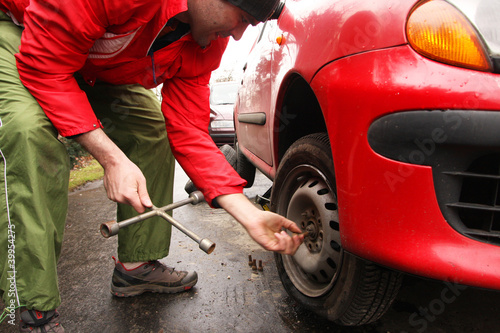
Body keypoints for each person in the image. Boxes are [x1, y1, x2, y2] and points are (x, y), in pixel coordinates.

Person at [0, 0, 304, 331]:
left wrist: (250, 215)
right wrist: (111, 158)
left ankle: (136, 266)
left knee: (152, 130)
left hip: (92, 65)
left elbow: (188, 129)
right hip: (25, 34)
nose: (237, 35)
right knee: (28, 132)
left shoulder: (205, 42)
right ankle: (33, 305)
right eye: (242, 18)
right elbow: (45, 66)